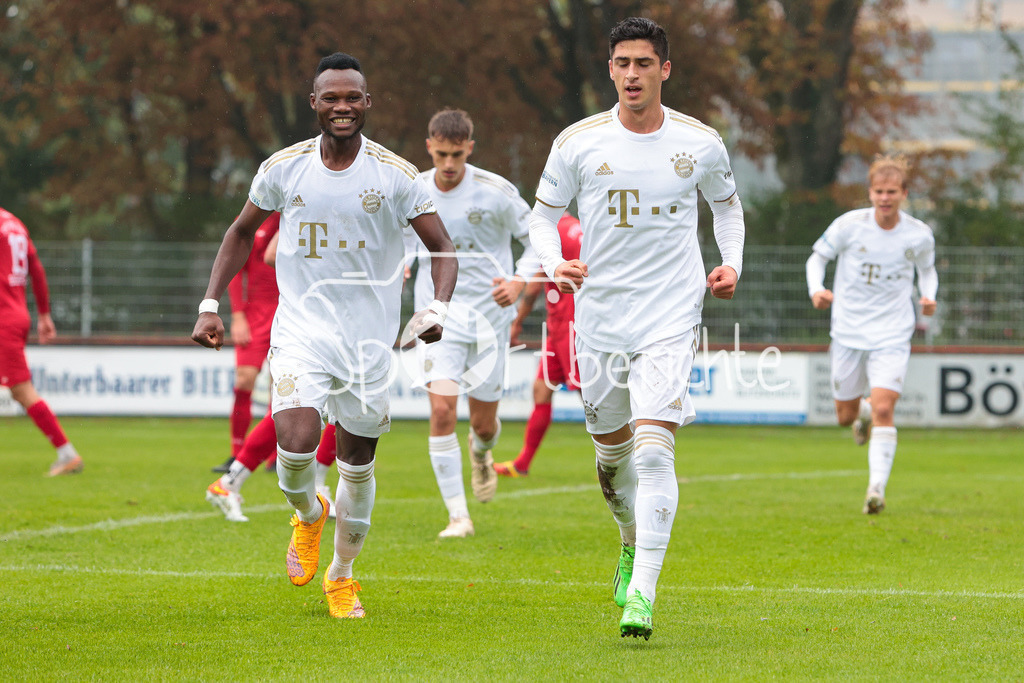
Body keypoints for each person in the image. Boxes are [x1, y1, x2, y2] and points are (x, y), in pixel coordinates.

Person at [191, 53, 457, 619]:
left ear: (367, 103)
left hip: (368, 345)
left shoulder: (396, 175)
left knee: (358, 466)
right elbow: (241, 232)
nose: (342, 106)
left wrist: (436, 309)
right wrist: (210, 304)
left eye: (352, 97)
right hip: (300, 332)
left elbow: (443, 249)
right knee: (295, 441)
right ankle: (309, 513)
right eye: (330, 97)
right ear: (314, 103)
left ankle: (342, 577)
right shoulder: (283, 168)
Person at [527, 17, 745, 640]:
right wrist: (553, 263)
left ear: (664, 70)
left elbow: (727, 210)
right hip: (598, 316)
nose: (631, 74)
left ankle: (642, 596)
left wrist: (730, 262)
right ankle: (629, 539)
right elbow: (543, 217)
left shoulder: (700, 143)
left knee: (654, 448)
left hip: (671, 312)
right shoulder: (578, 141)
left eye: (643, 63)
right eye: (621, 63)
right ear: (611, 70)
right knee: (611, 455)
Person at [406, 108, 537, 538]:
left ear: (470, 150)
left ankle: (482, 452)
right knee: (442, 410)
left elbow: (538, 236)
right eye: (441, 154)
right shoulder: (413, 190)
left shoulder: (495, 191)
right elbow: (399, 239)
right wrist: (402, 264)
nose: (448, 165)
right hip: (436, 316)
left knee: (483, 424)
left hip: (489, 318)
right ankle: (458, 516)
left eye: (456, 155)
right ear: (429, 147)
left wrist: (518, 281)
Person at [806, 154, 937, 516]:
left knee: (885, 407)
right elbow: (816, 259)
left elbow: (928, 271)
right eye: (879, 191)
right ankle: (859, 414)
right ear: (870, 193)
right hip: (848, 330)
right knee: (844, 416)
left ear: (904, 193)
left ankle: (875, 490)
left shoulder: (918, 234)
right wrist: (816, 289)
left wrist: (929, 297)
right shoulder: (849, 226)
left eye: (892, 191)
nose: (884, 198)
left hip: (893, 332)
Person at [495, 212, 583, 478]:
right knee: (541, 389)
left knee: (592, 397)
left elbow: (533, 286)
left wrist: (517, 322)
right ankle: (522, 463)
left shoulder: (551, 230)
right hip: (560, 327)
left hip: (573, 327)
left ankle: (627, 456)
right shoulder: (574, 228)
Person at [1, 207, 84, 476]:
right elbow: (36, 270)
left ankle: (67, 453)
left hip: (3, 318)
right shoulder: (14, 222)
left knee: (22, 391)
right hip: (16, 314)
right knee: (18, 391)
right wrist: (44, 314)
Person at [211, 212, 281, 474]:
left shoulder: (300, 214)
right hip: (255, 314)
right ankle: (236, 453)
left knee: (283, 385)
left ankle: (276, 456)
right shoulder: (256, 217)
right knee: (244, 380)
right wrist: (238, 315)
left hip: (289, 311)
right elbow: (235, 267)